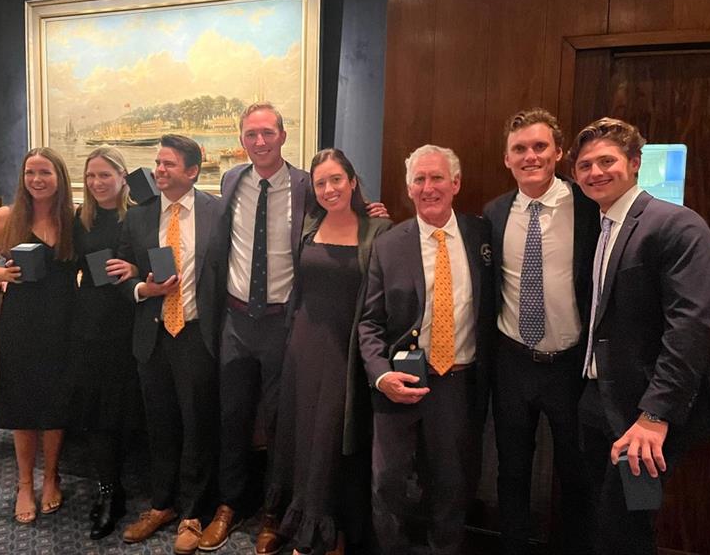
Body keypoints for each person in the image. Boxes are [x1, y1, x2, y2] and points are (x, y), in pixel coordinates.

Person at [200, 103, 387, 555]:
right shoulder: (231, 181)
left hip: (285, 322)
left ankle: (273, 512)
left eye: (267, 133)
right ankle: (229, 505)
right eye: (251, 135)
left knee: (283, 424)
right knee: (232, 416)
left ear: (284, 136)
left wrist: (371, 212)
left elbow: (342, 215)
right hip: (235, 318)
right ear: (241, 140)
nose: (259, 142)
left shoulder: (307, 183)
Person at [569, 117, 710, 555]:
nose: (595, 172)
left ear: (634, 163)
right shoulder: (600, 228)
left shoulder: (675, 225)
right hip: (597, 404)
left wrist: (655, 416)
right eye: (585, 165)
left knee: (626, 530)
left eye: (607, 161)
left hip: (643, 417)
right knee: (607, 520)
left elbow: (691, 326)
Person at [358, 145, 493, 555]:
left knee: (451, 484)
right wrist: (382, 375)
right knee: (388, 483)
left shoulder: (482, 235)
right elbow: (370, 322)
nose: (428, 187)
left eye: (437, 178)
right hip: (399, 382)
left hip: (457, 382)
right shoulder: (389, 244)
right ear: (408, 187)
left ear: (455, 184)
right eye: (419, 179)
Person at [482, 108, 596, 554]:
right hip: (512, 363)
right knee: (511, 471)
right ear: (507, 158)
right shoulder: (493, 213)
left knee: (576, 474)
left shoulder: (588, 206)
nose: (530, 156)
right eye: (519, 149)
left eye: (539, 146)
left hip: (570, 365)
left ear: (558, 152)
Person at [267, 148, 392, 555]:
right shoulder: (309, 225)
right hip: (303, 346)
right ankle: (303, 522)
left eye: (336, 179)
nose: (328, 188)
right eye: (320, 182)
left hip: (348, 351)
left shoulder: (379, 229)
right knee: (302, 436)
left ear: (353, 181)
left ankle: (329, 533)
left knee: (332, 439)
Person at [117, 134, 224, 555]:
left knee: (198, 424)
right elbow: (118, 273)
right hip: (153, 335)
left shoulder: (218, 212)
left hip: (199, 334)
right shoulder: (138, 217)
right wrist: (143, 287)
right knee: (158, 424)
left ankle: (194, 513)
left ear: (193, 171)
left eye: (169, 165)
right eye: (157, 164)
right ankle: (161, 504)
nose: (159, 171)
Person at [0, 147, 76, 524]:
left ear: (59, 177)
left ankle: (50, 478)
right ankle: (22, 484)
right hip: (21, 324)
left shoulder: (73, 219)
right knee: (23, 403)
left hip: (63, 324)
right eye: (30, 171)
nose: (36, 179)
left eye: (45, 172)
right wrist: (5, 276)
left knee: (54, 404)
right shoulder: (6, 217)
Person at [72, 147, 141, 539]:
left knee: (125, 412)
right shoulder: (81, 219)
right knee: (98, 415)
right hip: (90, 326)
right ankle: (109, 492)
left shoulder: (143, 214)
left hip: (132, 324)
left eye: (105, 175)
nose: (97, 183)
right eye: (91, 176)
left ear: (122, 176)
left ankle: (135, 489)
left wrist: (135, 268)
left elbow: (167, 265)